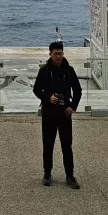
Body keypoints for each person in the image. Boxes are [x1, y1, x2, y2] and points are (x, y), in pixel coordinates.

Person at [32, 41, 82, 188]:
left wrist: (73, 106)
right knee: (48, 144)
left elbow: (78, 90)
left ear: (63, 53)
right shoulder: (44, 71)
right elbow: (36, 90)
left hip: (64, 113)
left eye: (60, 53)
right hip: (49, 112)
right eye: (56, 54)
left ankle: (69, 175)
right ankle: (47, 173)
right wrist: (48, 97)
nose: (58, 56)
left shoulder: (69, 70)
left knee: (67, 145)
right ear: (50, 54)